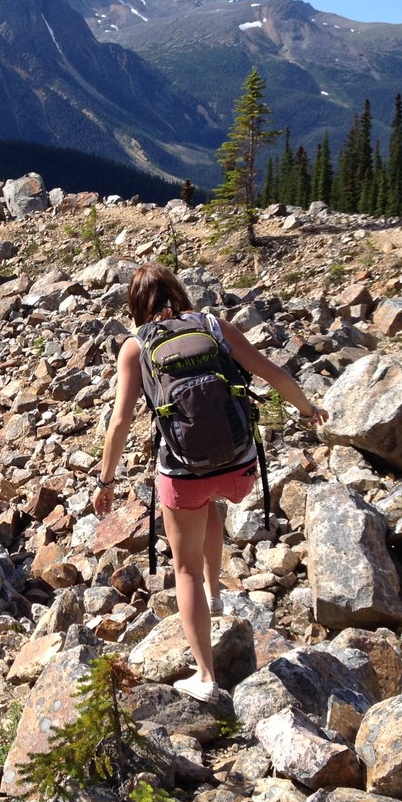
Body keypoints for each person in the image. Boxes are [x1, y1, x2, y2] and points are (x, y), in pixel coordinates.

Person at [93, 263, 327, 702]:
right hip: (238, 465)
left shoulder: (136, 346)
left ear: (136, 305)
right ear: (177, 294)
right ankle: (215, 594)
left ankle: (205, 677)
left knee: (182, 566)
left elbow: (120, 421)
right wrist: (308, 409)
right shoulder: (213, 326)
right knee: (211, 506)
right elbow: (273, 374)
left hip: (184, 471)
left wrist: (106, 480)